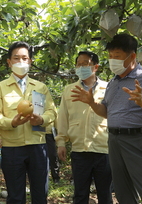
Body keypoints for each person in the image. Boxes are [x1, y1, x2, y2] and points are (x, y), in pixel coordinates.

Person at [71, 33, 142, 204]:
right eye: (110, 56)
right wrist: (92, 103)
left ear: (132, 56)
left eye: (117, 56)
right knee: (123, 193)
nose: (112, 60)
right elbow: (108, 112)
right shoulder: (114, 82)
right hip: (115, 141)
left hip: (140, 141)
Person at [0, 41, 57, 204]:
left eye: (25, 58)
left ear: (30, 61)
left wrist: (41, 119)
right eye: (16, 58)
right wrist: (11, 122)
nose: (21, 62)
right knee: (15, 195)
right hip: (12, 147)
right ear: (9, 62)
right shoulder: (0, 88)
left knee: (40, 194)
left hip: (37, 145)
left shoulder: (40, 87)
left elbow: (51, 112)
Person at [56, 51, 112, 204]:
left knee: (105, 194)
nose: (81, 67)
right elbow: (63, 117)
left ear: (95, 67)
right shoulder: (69, 90)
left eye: (85, 63)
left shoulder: (109, 88)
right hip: (79, 149)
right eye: (78, 64)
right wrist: (61, 142)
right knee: (80, 194)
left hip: (103, 148)